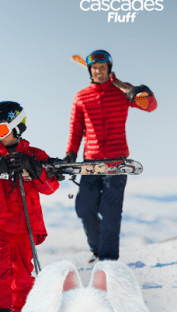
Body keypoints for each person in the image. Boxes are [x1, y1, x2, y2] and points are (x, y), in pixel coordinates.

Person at [0, 101, 61, 312]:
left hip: (26, 225)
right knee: (0, 268)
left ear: (17, 126)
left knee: (22, 272)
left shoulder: (35, 154)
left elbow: (50, 188)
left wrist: (35, 167)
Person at [64, 50, 158, 263]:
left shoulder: (122, 92)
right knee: (84, 208)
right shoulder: (81, 97)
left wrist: (144, 92)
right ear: (90, 70)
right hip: (91, 161)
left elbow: (151, 107)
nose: (98, 71)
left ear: (109, 69)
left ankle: (107, 258)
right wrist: (71, 152)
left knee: (111, 210)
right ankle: (98, 249)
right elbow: (76, 129)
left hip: (117, 162)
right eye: (95, 68)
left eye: (102, 68)